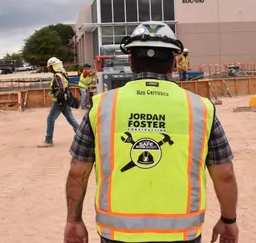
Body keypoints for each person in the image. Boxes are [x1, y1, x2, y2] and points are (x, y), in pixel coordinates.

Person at [63, 22, 239, 243]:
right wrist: (229, 220)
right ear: (174, 62)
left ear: (130, 61)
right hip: (181, 234)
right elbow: (225, 174)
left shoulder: (102, 106)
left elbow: (77, 172)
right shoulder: (201, 109)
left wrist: (73, 220)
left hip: (118, 234)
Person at [37, 57, 80, 148]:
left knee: (50, 119)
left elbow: (61, 89)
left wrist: (55, 96)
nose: (49, 69)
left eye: (50, 67)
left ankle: (48, 140)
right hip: (65, 100)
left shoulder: (57, 76)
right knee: (71, 119)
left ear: (54, 66)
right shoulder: (63, 73)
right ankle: (82, 137)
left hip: (60, 101)